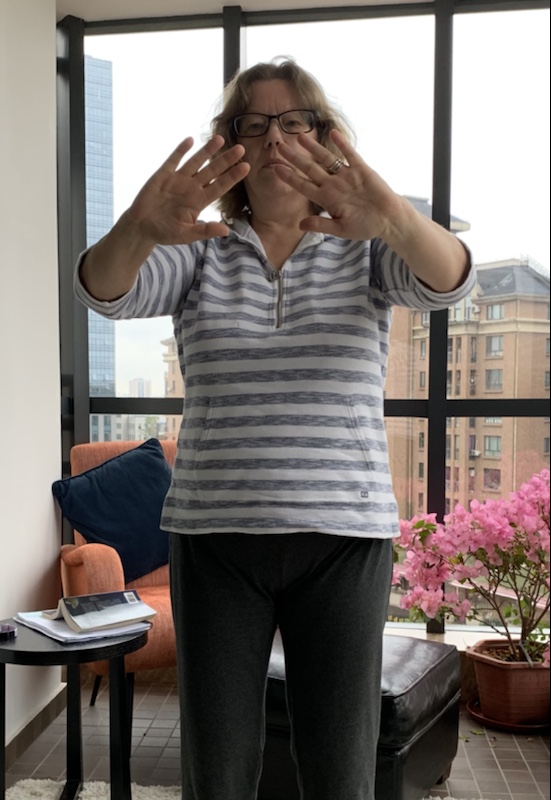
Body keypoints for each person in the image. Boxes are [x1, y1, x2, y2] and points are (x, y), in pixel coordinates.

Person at [75, 58, 476, 800]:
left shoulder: (365, 247)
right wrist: (137, 225)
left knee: (339, 767)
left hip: (343, 537)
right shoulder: (197, 248)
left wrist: (391, 217)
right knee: (219, 769)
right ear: (230, 142)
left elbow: (449, 279)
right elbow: (106, 291)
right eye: (253, 123)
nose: (273, 139)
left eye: (294, 121)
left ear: (324, 135)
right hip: (215, 538)